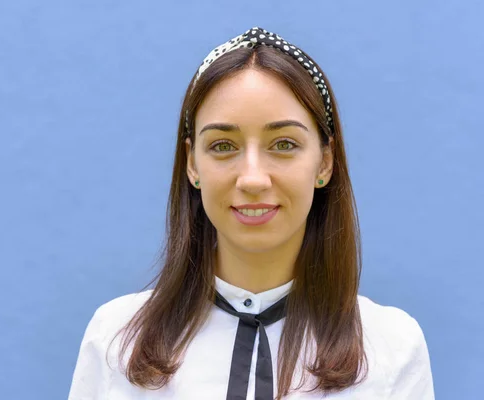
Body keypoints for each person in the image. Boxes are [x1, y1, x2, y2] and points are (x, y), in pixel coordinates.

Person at [67, 26, 435, 400]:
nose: (253, 178)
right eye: (223, 145)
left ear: (325, 162)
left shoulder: (392, 348)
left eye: (284, 144)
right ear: (192, 164)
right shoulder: (115, 339)